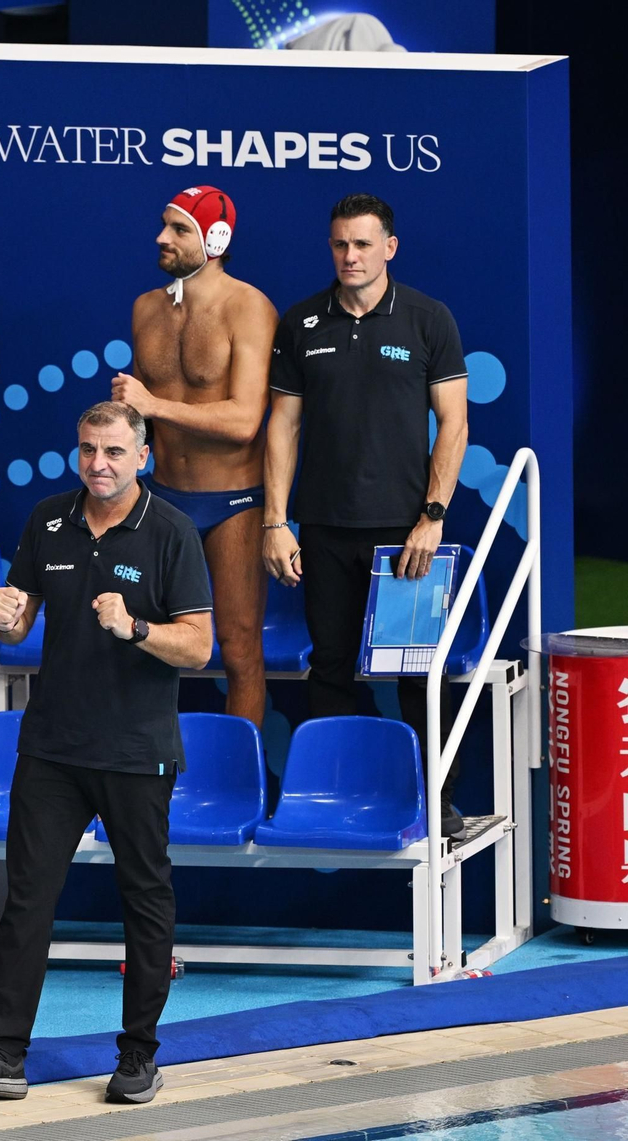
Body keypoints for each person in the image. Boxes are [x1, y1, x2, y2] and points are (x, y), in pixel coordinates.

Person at [0, 401, 213, 1107]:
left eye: (114, 451)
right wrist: (7, 619)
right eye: (89, 448)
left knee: (144, 899)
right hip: (52, 747)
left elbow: (198, 646)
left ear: (143, 456)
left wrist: (135, 627)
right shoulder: (48, 519)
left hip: (137, 750)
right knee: (27, 899)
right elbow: (20, 619)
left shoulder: (172, 532)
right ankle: (4, 1053)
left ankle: (139, 1054)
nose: (99, 463)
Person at [262, 193, 470, 838]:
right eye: (339, 244)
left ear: (389, 247)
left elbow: (454, 423)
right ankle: (334, 796)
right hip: (323, 529)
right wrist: (276, 521)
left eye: (361, 244)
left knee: (416, 675)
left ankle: (436, 801)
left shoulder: (428, 319)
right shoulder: (301, 322)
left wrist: (432, 516)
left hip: (404, 536)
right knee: (329, 670)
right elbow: (283, 426)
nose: (349, 256)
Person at [110, 187, 277, 725]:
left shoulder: (249, 308)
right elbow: (142, 414)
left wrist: (153, 404)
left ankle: (242, 772)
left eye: (179, 229)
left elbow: (245, 421)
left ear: (216, 239)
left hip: (233, 501)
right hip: (160, 498)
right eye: (165, 225)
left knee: (239, 647)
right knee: (137, 638)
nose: (162, 237)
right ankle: (135, 764)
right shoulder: (145, 308)